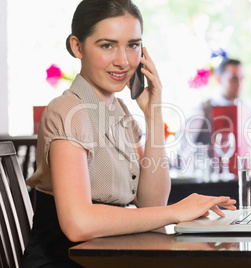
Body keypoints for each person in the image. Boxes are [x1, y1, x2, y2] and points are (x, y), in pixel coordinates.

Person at [23, 1, 236, 267]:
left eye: (132, 45)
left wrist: (154, 114)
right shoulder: (68, 111)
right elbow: (78, 224)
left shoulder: (120, 110)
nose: (123, 61)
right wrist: (174, 212)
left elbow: (151, 203)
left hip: (108, 256)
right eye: (107, 45)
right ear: (77, 47)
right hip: (66, 261)